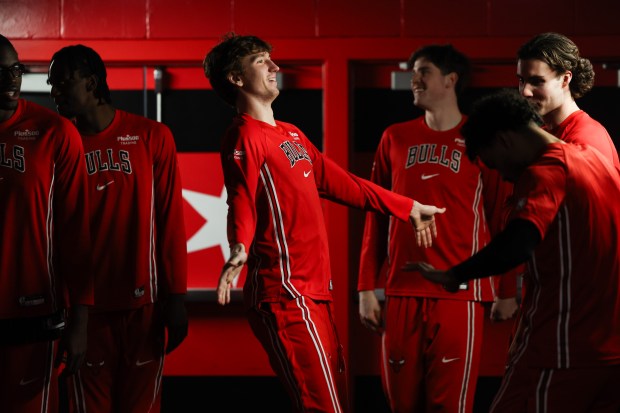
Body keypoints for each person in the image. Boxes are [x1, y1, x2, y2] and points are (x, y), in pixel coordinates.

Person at [203, 33, 445, 413]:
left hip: (316, 292)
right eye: (261, 61)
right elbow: (241, 199)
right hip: (284, 293)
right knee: (323, 407)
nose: (275, 67)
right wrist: (239, 249)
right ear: (235, 78)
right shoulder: (244, 134)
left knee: (336, 403)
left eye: (272, 59)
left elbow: (344, 183)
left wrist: (407, 205)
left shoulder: (292, 134)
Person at [410, 89, 620, 413]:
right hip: (608, 352)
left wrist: (456, 274)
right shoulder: (597, 161)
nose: (503, 174)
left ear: (504, 139)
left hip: (560, 351)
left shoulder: (546, 173)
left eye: (493, 162)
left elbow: (519, 242)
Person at [357, 44, 518, 413]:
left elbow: (501, 218)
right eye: (414, 71)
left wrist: (506, 288)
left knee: (450, 406)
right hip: (401, 290)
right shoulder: (394, 138)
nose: (415, 79)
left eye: (424, 71)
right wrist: (366, 287)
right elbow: (375, 214)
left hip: (459, 294)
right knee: (401, 404)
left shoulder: (481, 140)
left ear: (451, 80)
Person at [47, 45, 188, 413]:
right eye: (51, 85)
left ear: (92, 83)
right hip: (84, 315)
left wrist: (177, 300)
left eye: (62, 83)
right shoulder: (58, 145)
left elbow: (171, 221)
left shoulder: (152, 136)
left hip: (144, 309)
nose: (54, 93)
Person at [0, 35, 93, 413]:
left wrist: (81, 318)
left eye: (16, 70)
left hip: (33, 311)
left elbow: (76, 231)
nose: (10, 81)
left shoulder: (54, 132)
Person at [517, 32, 619, 167]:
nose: (525, 91)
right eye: (521, 80)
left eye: (537, 81)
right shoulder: (541, 134)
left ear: (565, 79)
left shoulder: (586, 140)